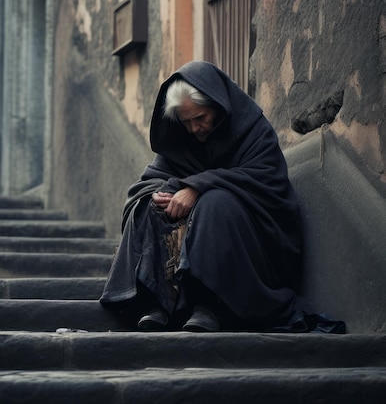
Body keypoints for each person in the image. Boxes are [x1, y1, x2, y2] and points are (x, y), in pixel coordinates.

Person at [100, 61, 344, 333]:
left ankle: (211, 306)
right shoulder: (181, 139)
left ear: (218, 107)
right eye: (186, 122)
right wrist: (164, 194)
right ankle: (161, 303)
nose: (195, 129)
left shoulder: (254, 131)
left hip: (254, 252)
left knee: (216, 203)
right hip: (197, 242)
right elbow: (149, 180)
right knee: (150, 204)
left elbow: (264, 182)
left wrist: (197, 188)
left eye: (200, 118)